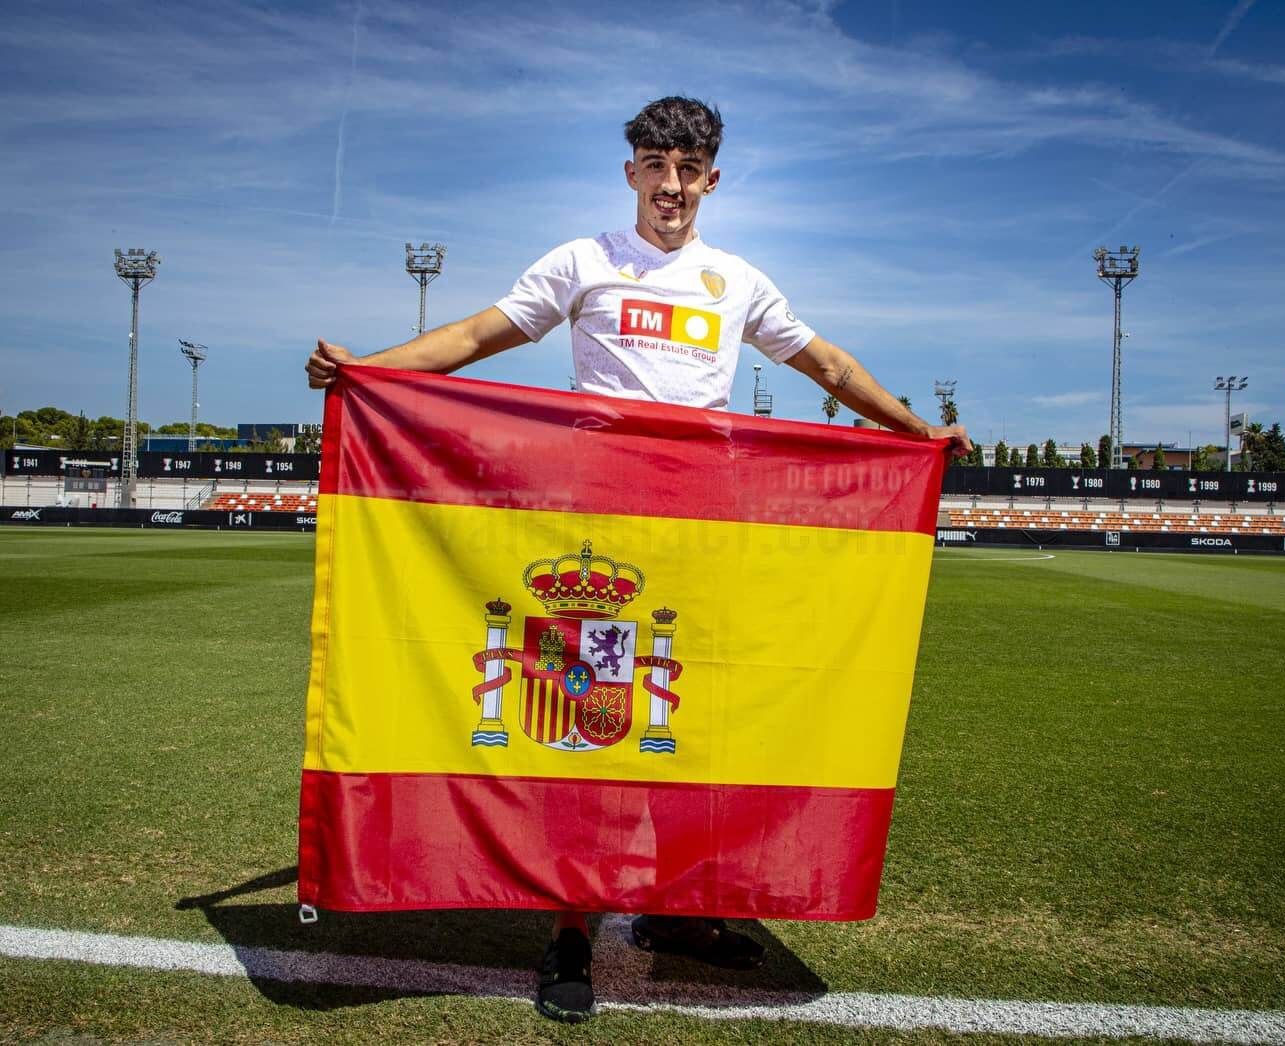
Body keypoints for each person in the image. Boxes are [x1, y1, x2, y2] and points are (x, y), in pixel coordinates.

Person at [306, 95, 971, 1024]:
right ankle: (570, 930)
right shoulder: (584, 262)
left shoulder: (734, 280)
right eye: (655, 166)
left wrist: (916, 430)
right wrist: (367, 369)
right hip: (599, 533)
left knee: (693, 719)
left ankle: (673, 908)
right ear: (631, 174)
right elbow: (478, 336)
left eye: (688, 169)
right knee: (584, 720)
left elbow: (826, 367)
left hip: (707, 534)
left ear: (712, 179)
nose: (671, 186)